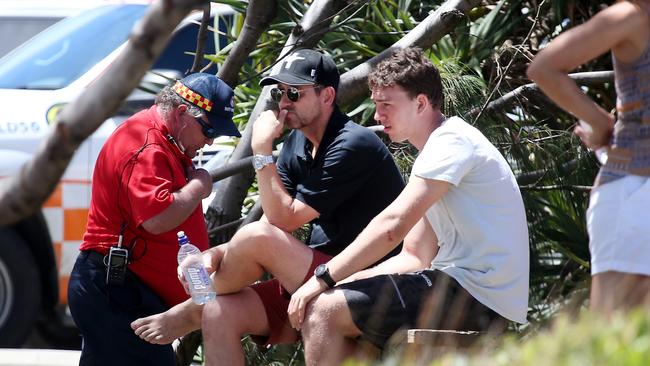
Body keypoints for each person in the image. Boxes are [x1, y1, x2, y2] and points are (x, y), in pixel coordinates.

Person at [130, 49, 405, 365]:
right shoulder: (296, 144)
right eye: (279, 93)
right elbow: (274, 225)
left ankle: (191, 310)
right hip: (317, 271)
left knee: (256, 238)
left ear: (327, 96)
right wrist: (215, 256)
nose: (284, 103)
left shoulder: (352, 143)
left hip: (368, 279)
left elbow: (282, 221)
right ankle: (203, 308)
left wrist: (261, 148)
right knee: (220, 312)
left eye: (294, 93)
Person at [287, 47, 530, 365]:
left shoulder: (451, 143)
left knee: (324, 310)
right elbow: (414, 255)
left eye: (386, 105)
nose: (377, 116)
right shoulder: (438, 152)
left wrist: (323, 278)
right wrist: (351, 280)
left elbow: (393, 226)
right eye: (376, 105)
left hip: (478, 296)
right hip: (467, 289)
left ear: (421, 103)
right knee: (334, 302)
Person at [67, 72, 241, 365]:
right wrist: (199, 185)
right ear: (183, 113)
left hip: (126, 293)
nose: (209, 143)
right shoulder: (147, 145)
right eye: (209, 132)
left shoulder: (167, 138)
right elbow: (157, 218)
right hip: (116, 293)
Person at [527, 1, 650, 315]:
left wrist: (599, 125)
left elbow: (545, 67)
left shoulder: (632, 16)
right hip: (635, 190)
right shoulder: (632, 16)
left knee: (620, 341)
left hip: (632, 184)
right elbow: (543, 69)